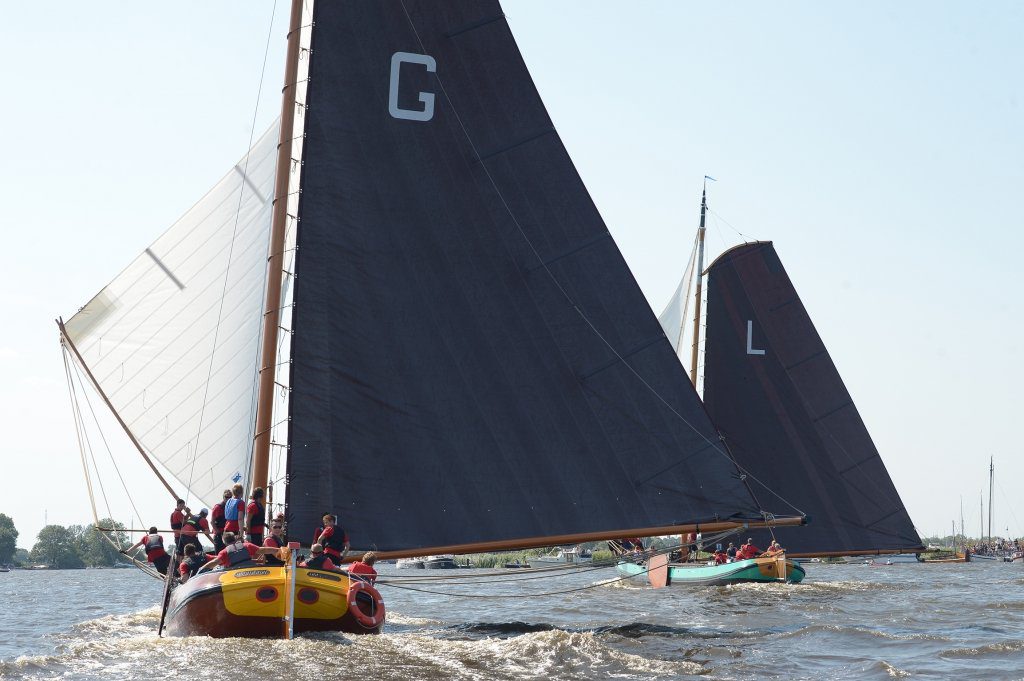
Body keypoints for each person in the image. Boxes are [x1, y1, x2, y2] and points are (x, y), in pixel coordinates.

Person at [198, 532, 279, 572]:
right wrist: (279, 550)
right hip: (251, 573)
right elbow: (266, 550)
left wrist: (201, 569)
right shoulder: (247, 546)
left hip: (235, 576)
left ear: (224, 542)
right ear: (235, 539)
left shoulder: (223, 553)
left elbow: (214, 562)